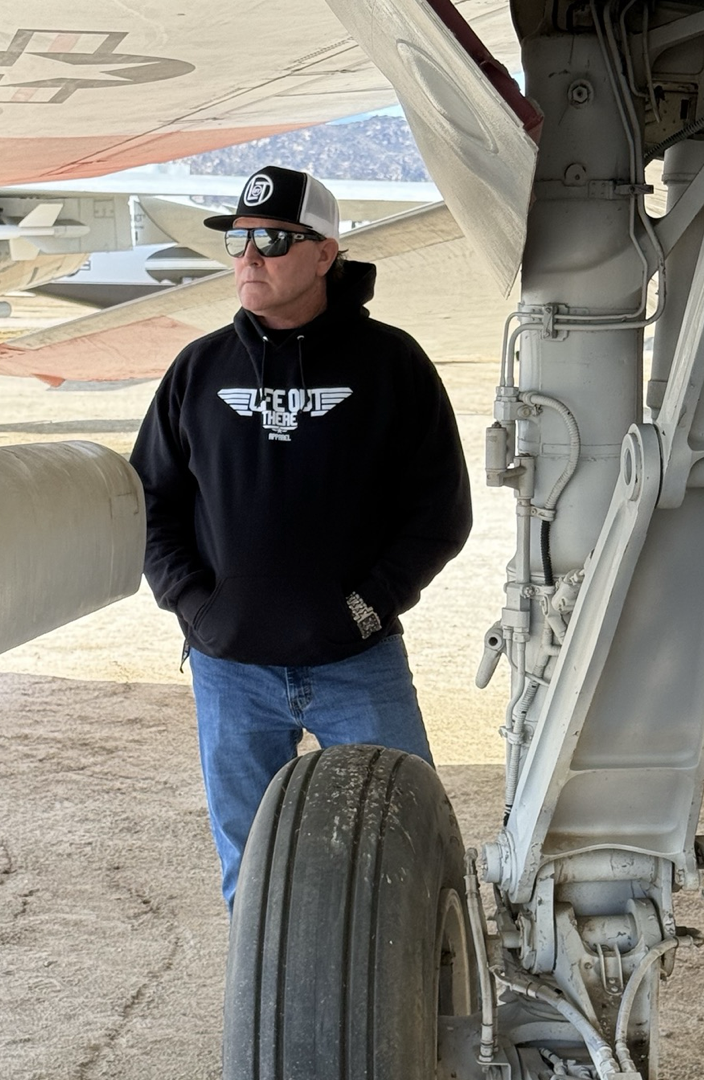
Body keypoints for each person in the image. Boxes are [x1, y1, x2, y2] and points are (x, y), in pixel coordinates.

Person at [130, 165, 472, 908]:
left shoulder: (392, 364)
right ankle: (264, 1019)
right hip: (232, 672)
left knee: (409, 850)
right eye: (240, 239)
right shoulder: (199, 369)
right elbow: (148, 502)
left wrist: (368, 606)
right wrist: (194, 606)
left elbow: (441, 511)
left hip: (358, 664)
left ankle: (424, 1007)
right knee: (249, 877)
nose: (249, 256)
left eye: (274, 240)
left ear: (326, 253)